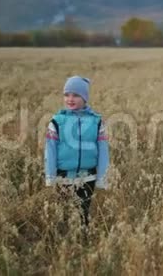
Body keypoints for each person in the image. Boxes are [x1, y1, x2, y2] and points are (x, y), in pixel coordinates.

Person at [44, 76, 110, 227]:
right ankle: (65, 240)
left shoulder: (96, 121)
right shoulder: (57, 121)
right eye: (67, 95)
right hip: (63, 177)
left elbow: (103, 151)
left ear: (85, 97)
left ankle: (83, 237)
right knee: (64, 213)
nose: (70, 99)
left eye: (76, 95)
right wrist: (50, 176)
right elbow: (50, 150)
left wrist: (102, 177)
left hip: (88, 177)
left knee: (83, 211)